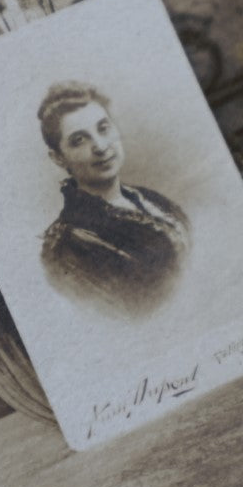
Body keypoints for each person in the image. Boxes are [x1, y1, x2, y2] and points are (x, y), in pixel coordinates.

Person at [38, 81, 191, 319]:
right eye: (79, 140)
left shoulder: (152, 200)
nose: (100, 146)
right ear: (58, 158)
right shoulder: (71, 245)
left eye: (103, 128)